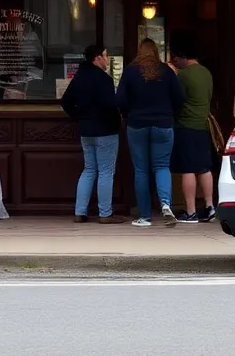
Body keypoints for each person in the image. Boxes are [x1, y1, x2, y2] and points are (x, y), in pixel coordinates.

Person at [116, 37, 184, 227]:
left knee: (141, 170)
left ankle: (145, 216)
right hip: (163, 124)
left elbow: (120, 99)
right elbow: (180, 97)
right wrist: (169, 112)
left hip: (137, 124)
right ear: (156, 52)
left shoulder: (130, 72)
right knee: (162, 166)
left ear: (140, 51)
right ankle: (165, 204)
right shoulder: (167, 71)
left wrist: (127, 113)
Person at [60, 44, 125, 224]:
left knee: (89, 170)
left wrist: (80, 117)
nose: (108, 59)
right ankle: (105, 214)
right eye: (106, 55)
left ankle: (80, 212)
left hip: (86, 130)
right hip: (105, 131)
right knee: (105, 171)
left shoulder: (79, 77)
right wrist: (116, 122)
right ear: (97, 58)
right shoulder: (103, 79)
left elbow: (66, 102)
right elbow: (109, 105)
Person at [169, 32, 215, 224]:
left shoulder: (183, 76)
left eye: (175, 58)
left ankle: (190, 211)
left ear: (181, 56)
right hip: (203, 126)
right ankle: (210, 206)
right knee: (204, 168)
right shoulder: (206, 73)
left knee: (188, 169)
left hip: (185, 126)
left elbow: (175, 100)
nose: (174, 61)